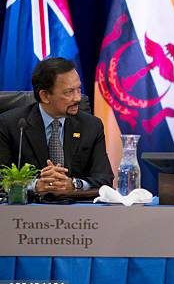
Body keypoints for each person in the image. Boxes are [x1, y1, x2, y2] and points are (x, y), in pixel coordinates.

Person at [0, 58, 113, 192]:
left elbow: (105, 178)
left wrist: (74, 184)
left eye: (78, 89)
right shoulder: (11, 125)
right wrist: (35, 185)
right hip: (28, 210)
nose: (77, 98)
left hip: (77, 210)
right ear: (45, 96)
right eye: (69, 92)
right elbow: (2, 178)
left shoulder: (91, 126)